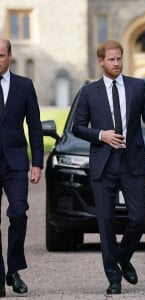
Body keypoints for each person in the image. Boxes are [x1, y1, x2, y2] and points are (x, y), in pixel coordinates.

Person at [72, 40, 145, 295]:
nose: (116, 64)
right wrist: (101, 135)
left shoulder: (137, 86)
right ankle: (113, 278)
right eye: (111, 60)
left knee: (141, 216)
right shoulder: (89, 92)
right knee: (105, 223)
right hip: (104, 163)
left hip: (132, 161)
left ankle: (123, 256)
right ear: (101, 61)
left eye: (119, 59)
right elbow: (77, 126)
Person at [0, 38, 44, 297]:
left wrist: (37, 162)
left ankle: (13, 270)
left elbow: (35, 127)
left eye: (1, 55)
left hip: (16, 162)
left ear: (10, 56)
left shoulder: (24, 86)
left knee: (18, 214)